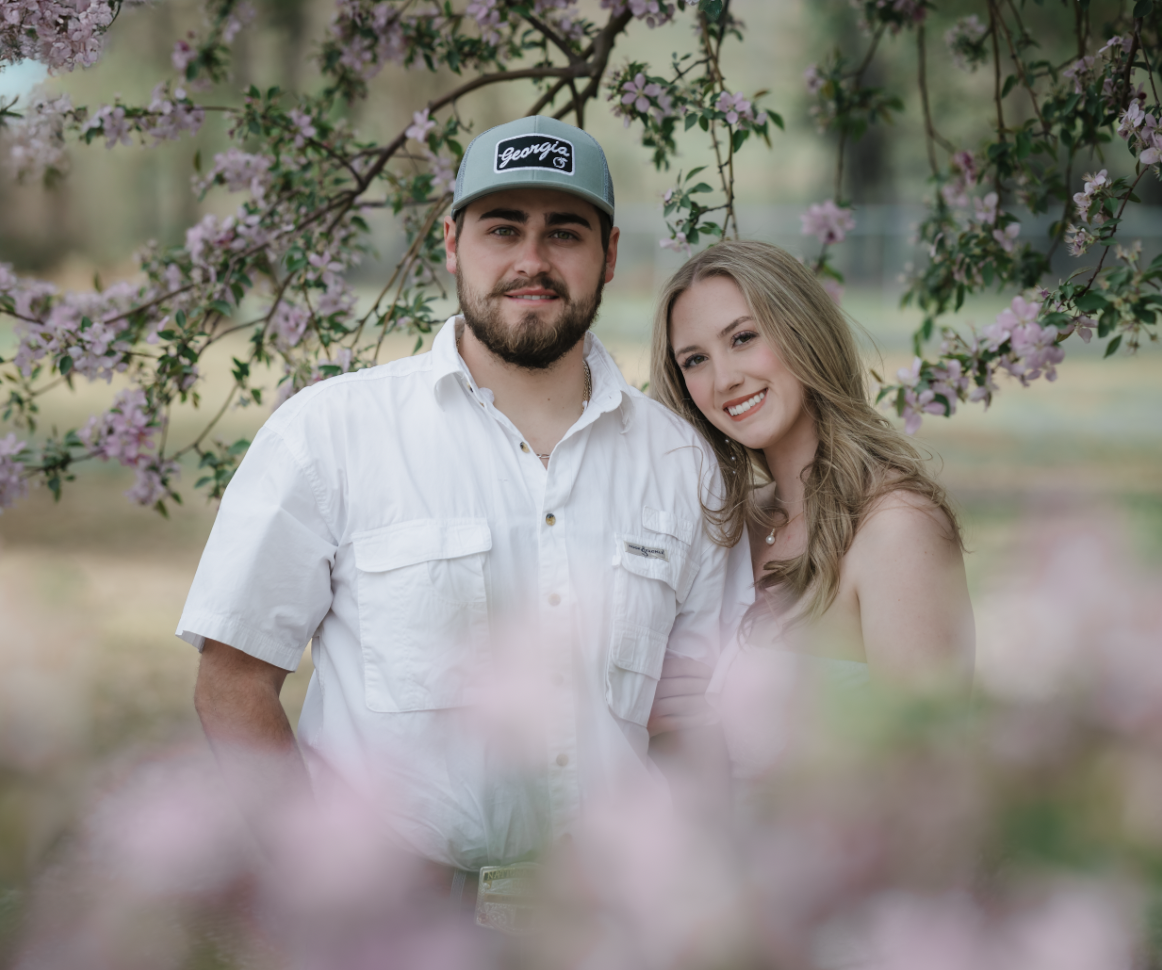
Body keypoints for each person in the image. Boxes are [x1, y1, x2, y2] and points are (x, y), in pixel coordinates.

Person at [176, 115, 749, 925]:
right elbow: (233, 683)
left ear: (610, 255)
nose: (532, 260)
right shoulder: (329, 434)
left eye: (565, 232)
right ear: (451, 243)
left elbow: (689, 729)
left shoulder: (681, 467)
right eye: (502, 228)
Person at [649, 239, 974, 788]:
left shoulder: (896, 530)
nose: (724, 378)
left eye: (743, 338)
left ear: (802, 331)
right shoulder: (731, 527)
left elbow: (931, 782)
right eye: (696, 360)